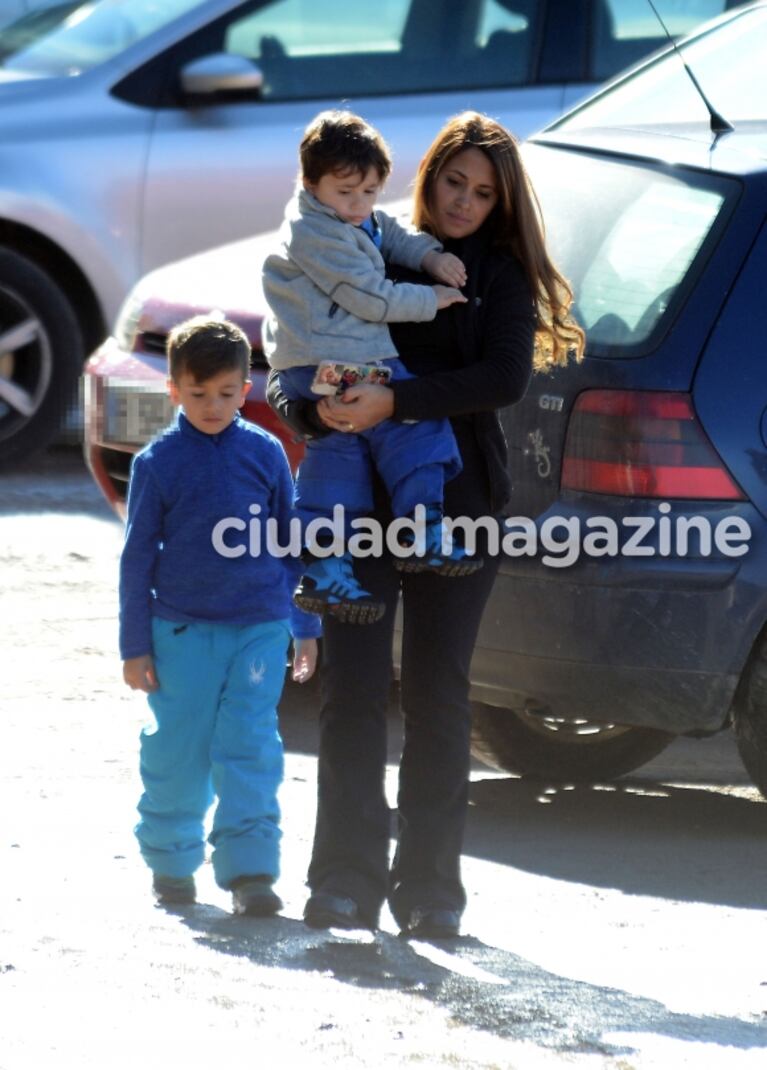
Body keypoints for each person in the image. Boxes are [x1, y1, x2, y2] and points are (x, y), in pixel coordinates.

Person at [267, 112, 584, 938]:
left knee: (441, 695)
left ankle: (431, 889)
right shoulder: (359, 232)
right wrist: (307, 407)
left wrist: (395, 400)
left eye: (483, 192)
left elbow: (504, 377)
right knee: (354, 688)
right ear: (431, 173)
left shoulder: (501, 274)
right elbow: (286, 358)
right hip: (356, 501)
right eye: (454, 182)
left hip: (461, 505)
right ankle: (342, 878)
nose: (465, 202)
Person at [119, 315, 321, 914]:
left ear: (247, 387)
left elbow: (293, 544)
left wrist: (305, 625)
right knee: (178, 749)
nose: (214, 405)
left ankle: (250, 873)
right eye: (199, 393)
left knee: (250, 745)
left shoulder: (266, 453)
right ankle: (172, 862)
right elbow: (136, 559)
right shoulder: (156, 463)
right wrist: (136, 645)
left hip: (259, 628)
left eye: (228, 393)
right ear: (174, 388)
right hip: (180, 631)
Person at [262, 109, 482, 626]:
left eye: (370, 191)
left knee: (338, 461)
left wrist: (430, 257)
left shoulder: (349, 217)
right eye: (346, 192)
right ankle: (421, 529)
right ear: (309, 183)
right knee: (415, 425)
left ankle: (326, 568)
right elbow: (370, 297)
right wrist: (431, 297)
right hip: (340, 360)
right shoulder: (317, 233)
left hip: (318, 362)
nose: (360, 205)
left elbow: (393, 234)